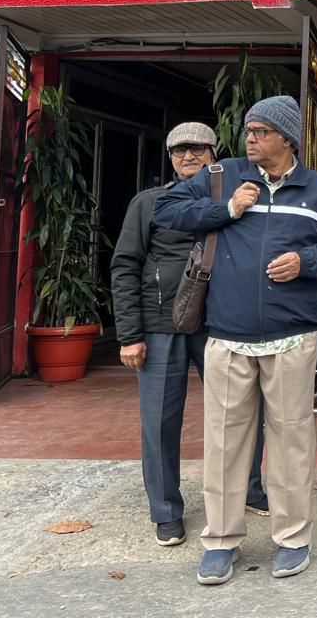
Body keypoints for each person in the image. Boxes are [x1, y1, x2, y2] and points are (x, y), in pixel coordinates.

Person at [155, 96, 317, 585]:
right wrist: (226, 207)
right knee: (224, 443)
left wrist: (307, 264)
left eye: (261, 131)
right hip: (226, 334)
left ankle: (293, 538)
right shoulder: (223, 175)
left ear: (286, 139)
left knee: (291, 439)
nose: (250, 138)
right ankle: (221, 542)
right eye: (249, 130)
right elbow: (167, 210)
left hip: (292, 336)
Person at [111, 122, 268, 548]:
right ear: (170, 157)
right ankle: (165, 510)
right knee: (160, 420)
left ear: (213, 154)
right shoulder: (150, 203)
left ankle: (250, 487)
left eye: (198, 149)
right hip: (161, 323)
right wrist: (129, 335)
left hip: (221, 321)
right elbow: (125, 266)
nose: (188, 157)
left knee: (242, 409)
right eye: (180, 151)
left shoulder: (235, 198)